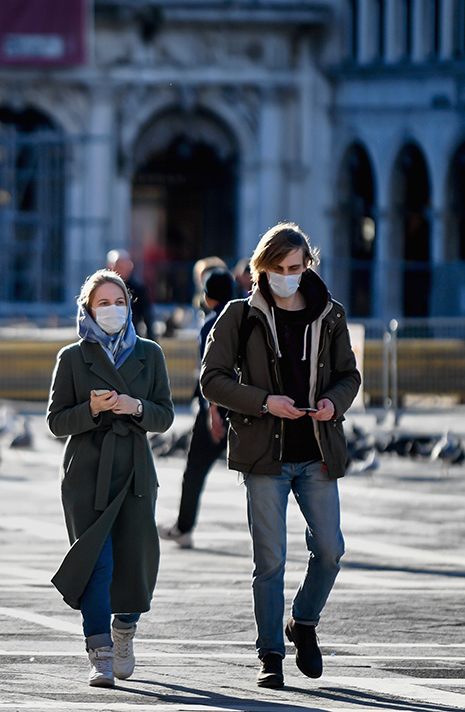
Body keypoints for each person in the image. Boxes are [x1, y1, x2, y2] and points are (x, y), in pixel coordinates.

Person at [200, 223, 360, 689]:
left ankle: (303, 623)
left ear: (308, 265)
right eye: (277, 269)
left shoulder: (331, 314)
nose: (287, 276)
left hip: (317, 451)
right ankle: (270, 653)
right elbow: (211, 379)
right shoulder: (238, 315)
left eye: (295, 267)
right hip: (263, 454)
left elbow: (349, 376)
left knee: (330, 551)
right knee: (269, 561)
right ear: (261, 269)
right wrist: (266, 402)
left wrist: (334, 401)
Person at [48, 269, 174, 688]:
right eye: (103, 303)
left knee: (135, 560)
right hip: (87, 472)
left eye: (119, 302)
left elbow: (164, 416)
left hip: (136, 470)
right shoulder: (71, 357)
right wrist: (95, 409)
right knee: (96, 565)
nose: (113, 310)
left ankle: (124, 631)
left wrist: (134, 406)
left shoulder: (150, 353)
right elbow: (56, 422)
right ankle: (99, 651)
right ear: (87, 309)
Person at [159, 267, 237, 548]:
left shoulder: (210, 325)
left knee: (194, 472)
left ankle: (184, 527)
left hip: (218, 408)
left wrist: (213, 412)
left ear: (207, 295)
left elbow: (211, 372)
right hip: (248, 407)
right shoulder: (246, 317)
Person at [106, 249, 155, 339]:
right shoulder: (103, 289)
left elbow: (147, 316)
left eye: (126, 265)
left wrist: (151, 340)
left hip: (131, 337)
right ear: (111, 267)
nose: (124, 269)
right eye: (120, 266)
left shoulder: (138, 288)